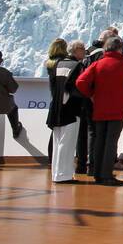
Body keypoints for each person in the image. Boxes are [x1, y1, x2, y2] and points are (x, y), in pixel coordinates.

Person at [75, 36, 123, 186]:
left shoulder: (97, 64)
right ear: (119, 48)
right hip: (117, 110)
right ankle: (107, 175)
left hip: (100, 108)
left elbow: (80, 82)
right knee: (111, 142)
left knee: (99, 141)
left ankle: (97, 172)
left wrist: (91, 95)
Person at [75, 27, 116, 175]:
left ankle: (80, 164)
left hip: (83, 99)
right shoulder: (101, 55)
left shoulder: (88, 52)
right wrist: (93, 95)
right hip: (93, 100)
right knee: (95, 132)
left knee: (82, 132)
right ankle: (92, 166)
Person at [46, 40, 86, 183]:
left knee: (58, 142)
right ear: (76, 50)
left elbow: (54, 88)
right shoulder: (77, 66)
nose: (85, 51)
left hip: (56, 109)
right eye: (83, 48)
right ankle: (64, 175)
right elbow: (74, 89)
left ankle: (57, 173)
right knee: (67, 143)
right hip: (71, 110)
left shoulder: (58, 64)